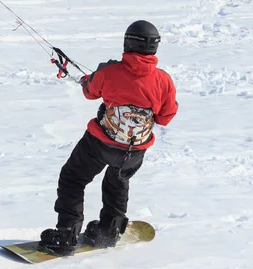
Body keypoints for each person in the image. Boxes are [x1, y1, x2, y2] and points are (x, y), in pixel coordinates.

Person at [38, 20, 179, 256]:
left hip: (100, 143)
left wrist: (93, 80)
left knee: (73, 178)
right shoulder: (164, 80)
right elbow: (165, 117)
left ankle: (65, 235)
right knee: (117, 182)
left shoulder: (109, 71)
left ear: (127, 42)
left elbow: (89, 92)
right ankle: (108, 231)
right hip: (135, 151)